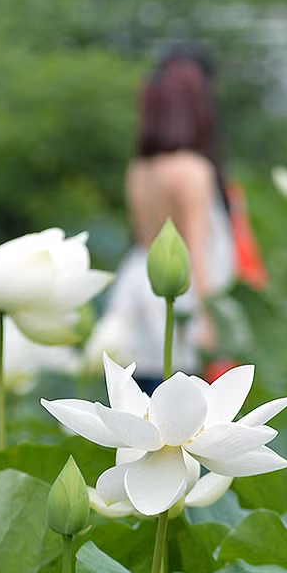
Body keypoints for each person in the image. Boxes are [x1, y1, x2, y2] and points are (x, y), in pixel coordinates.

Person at [95, 47, 241, 382]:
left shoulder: (141, 167)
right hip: (177, 303)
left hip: (135, 293)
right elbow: (194, 249)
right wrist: (210, 318)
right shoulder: (192, 169)